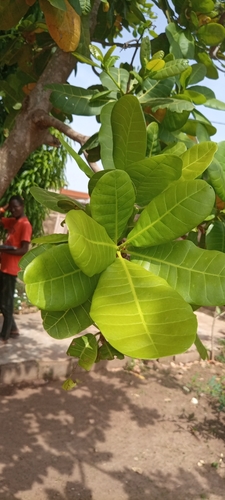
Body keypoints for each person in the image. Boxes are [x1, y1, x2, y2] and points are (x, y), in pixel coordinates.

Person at [0, 196, 32, 343]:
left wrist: (4, 250)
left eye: (16, 207)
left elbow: (24, 250)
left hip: (11, 270)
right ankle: (13, 329)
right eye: (11, 207)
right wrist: (5, 207)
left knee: (6, 304)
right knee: (4, 301)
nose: (13, 210)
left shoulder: (25, 225)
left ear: (23, 206)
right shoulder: (14, 221)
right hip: (4, 267)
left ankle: (4, 335)